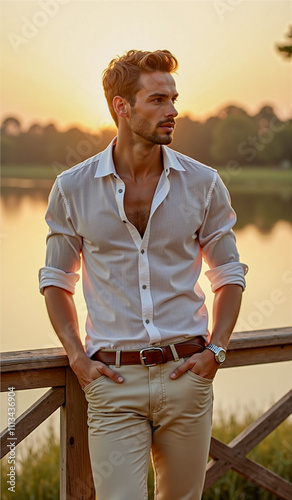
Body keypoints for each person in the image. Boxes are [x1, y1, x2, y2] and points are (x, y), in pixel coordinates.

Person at [39, 49, 247, 500]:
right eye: (157, 100)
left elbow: (228, 273)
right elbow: (56, 280)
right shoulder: (72, 188)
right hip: (113, 384)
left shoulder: (204, 182)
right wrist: (76, 355)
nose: (172, 111)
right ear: (122, 106)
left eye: (174, 99)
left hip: (187, 375)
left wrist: (217, 351)